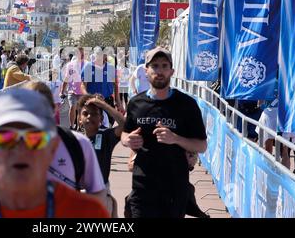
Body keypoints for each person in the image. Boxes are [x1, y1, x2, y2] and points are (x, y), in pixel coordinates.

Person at [0, 88, 109, 218]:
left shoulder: (88, 213)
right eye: (5, 137)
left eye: (34, 137)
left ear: (52, 147)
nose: (20, 149)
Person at [0, 81, 107, 207]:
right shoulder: (2, 145)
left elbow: (97, 192)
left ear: (54, 109)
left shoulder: (78, 144)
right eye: (28, 109)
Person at [121, 46, 207, 218]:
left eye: (164, 66)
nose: (159, 71)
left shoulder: (187, 104)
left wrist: (175, 138)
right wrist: (128, 140)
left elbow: (202, 145)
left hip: (174, 187)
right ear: (146, 71)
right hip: (143, 185)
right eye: (154, 66)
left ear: (172, 71)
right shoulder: (136, 103)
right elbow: (125, 134)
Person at [77, 94, 125, 217]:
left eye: (94, 114)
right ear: (79, 119)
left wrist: (103, 105)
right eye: (85, 113)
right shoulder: (73, 139)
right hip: (78, 195)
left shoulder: (106, 136)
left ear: (101, 118)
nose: (89, 117)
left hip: (100, 194)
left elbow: (124, 124)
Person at [81, 47, 124, 124]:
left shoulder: (110, 67)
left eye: (102, 54)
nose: (100, 56)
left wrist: (118, 102)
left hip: (107, 100)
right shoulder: (88, 67)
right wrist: (88, 96)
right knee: (94, 125)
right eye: (98, 54)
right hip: (93, 101)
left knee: (109, 126)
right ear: (94, 55)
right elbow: (83, 85)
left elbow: (115, 85)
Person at [60, 47, 85, 128]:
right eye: (79, 53)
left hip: (82, 91)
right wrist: (62, 91)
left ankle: (79, 126)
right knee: (72, 107)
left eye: (82, 53)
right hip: (72, 90)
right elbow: (66, 78)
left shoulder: (87, 64)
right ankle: (71, 126)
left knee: (80, 109)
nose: (81, 55)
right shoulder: (70, 65)